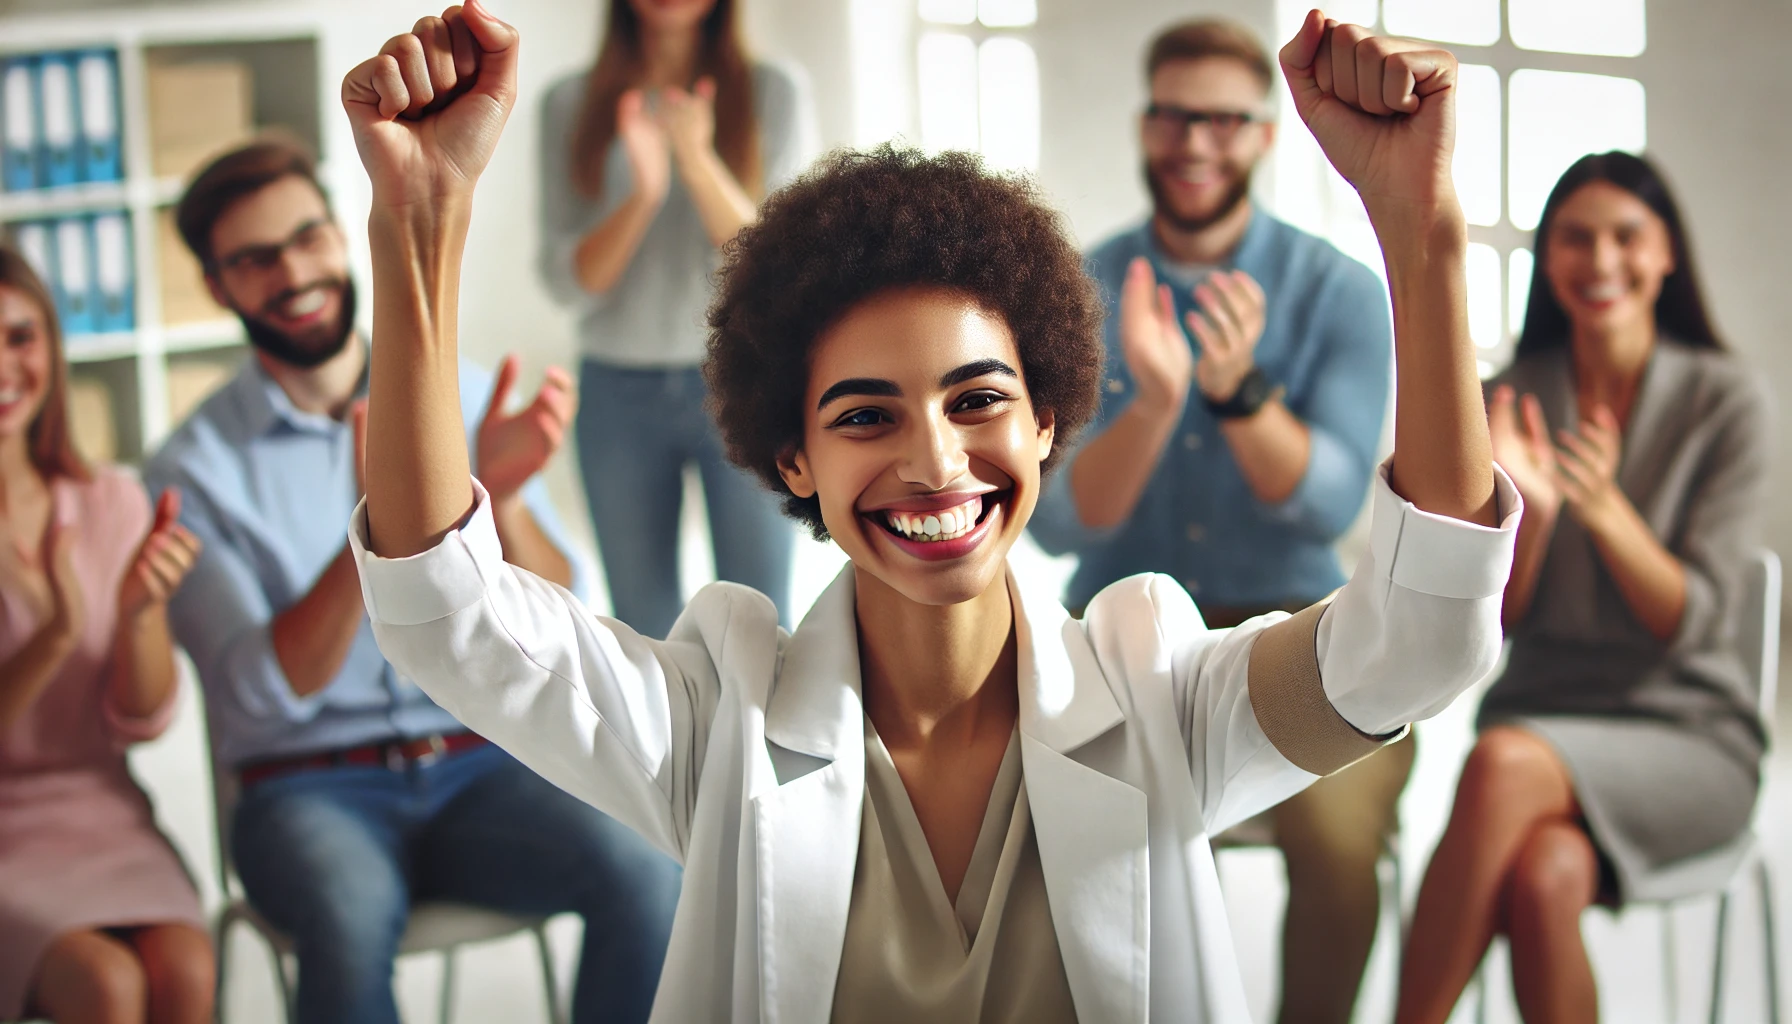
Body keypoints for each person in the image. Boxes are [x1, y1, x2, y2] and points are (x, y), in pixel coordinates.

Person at [344, 5, 1516, 1021]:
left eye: (978, 400)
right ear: (791, 457)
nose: (935, 460)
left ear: (1050, 418)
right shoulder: (721, 727)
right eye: (864, 416)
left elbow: (1420, 636)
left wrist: (1424, 238)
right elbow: (450, 620)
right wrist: (419, 221)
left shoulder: (1161, 695)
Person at [142, 140, 681, 1024]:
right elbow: (266, 693)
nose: (294, 272)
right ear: (217, 288)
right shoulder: (188, 471)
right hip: (307, 789)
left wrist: (497, 495)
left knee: (648, 859)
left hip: (480, 766)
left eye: (308, 238)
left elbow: (565, 611)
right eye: (255, 259)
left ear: (339, 237)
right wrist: (380, 514)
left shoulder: (457, 400)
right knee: (349, 916)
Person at [1028, 20, 1409, 1023]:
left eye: (1221, 121)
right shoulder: (1071, 288)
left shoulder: (1340, 290)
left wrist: (1237, 395)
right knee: (1024, 823)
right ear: (1143, 127)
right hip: (1108, 641)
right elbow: (1060, 520)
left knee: (1336, 843)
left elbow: (1329, 504)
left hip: (1304, 634)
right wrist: (1153, 405)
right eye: (1171, 116)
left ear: (1263, 136)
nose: (1193, 143)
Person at [1395, 152, 1773, 1023]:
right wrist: (1540, 520)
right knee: (1544, 875)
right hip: (1545, 713)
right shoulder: (1504, 397)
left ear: (1666, 253)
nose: (1601, 261)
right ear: (1548, 258)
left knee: (1500, 762)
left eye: (1625, 237)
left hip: (1689, 736)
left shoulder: (1727, 401)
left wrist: (1604, 511)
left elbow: (1694, 624)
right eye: (1575, 239)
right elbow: (1491, 621)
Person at [539, 0, 814, 638]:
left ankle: (761, 744)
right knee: (641, 623)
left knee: (762, 615)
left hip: (744, 381)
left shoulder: (773, 91)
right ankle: (669, 745)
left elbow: (780, 269)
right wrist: (643, 193)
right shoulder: (568, 103)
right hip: (616, 393)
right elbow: (568, 282)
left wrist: (696, 160)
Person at [0, 248, 212, 1023]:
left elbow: (145, 718)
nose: (5, 364)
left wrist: (139, 614)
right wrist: (55, 633)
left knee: (187, 968)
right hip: (6, 840)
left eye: (20, 336)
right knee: (108, 987)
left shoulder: (111, 500)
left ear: (52, 347)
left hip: (105, 812)